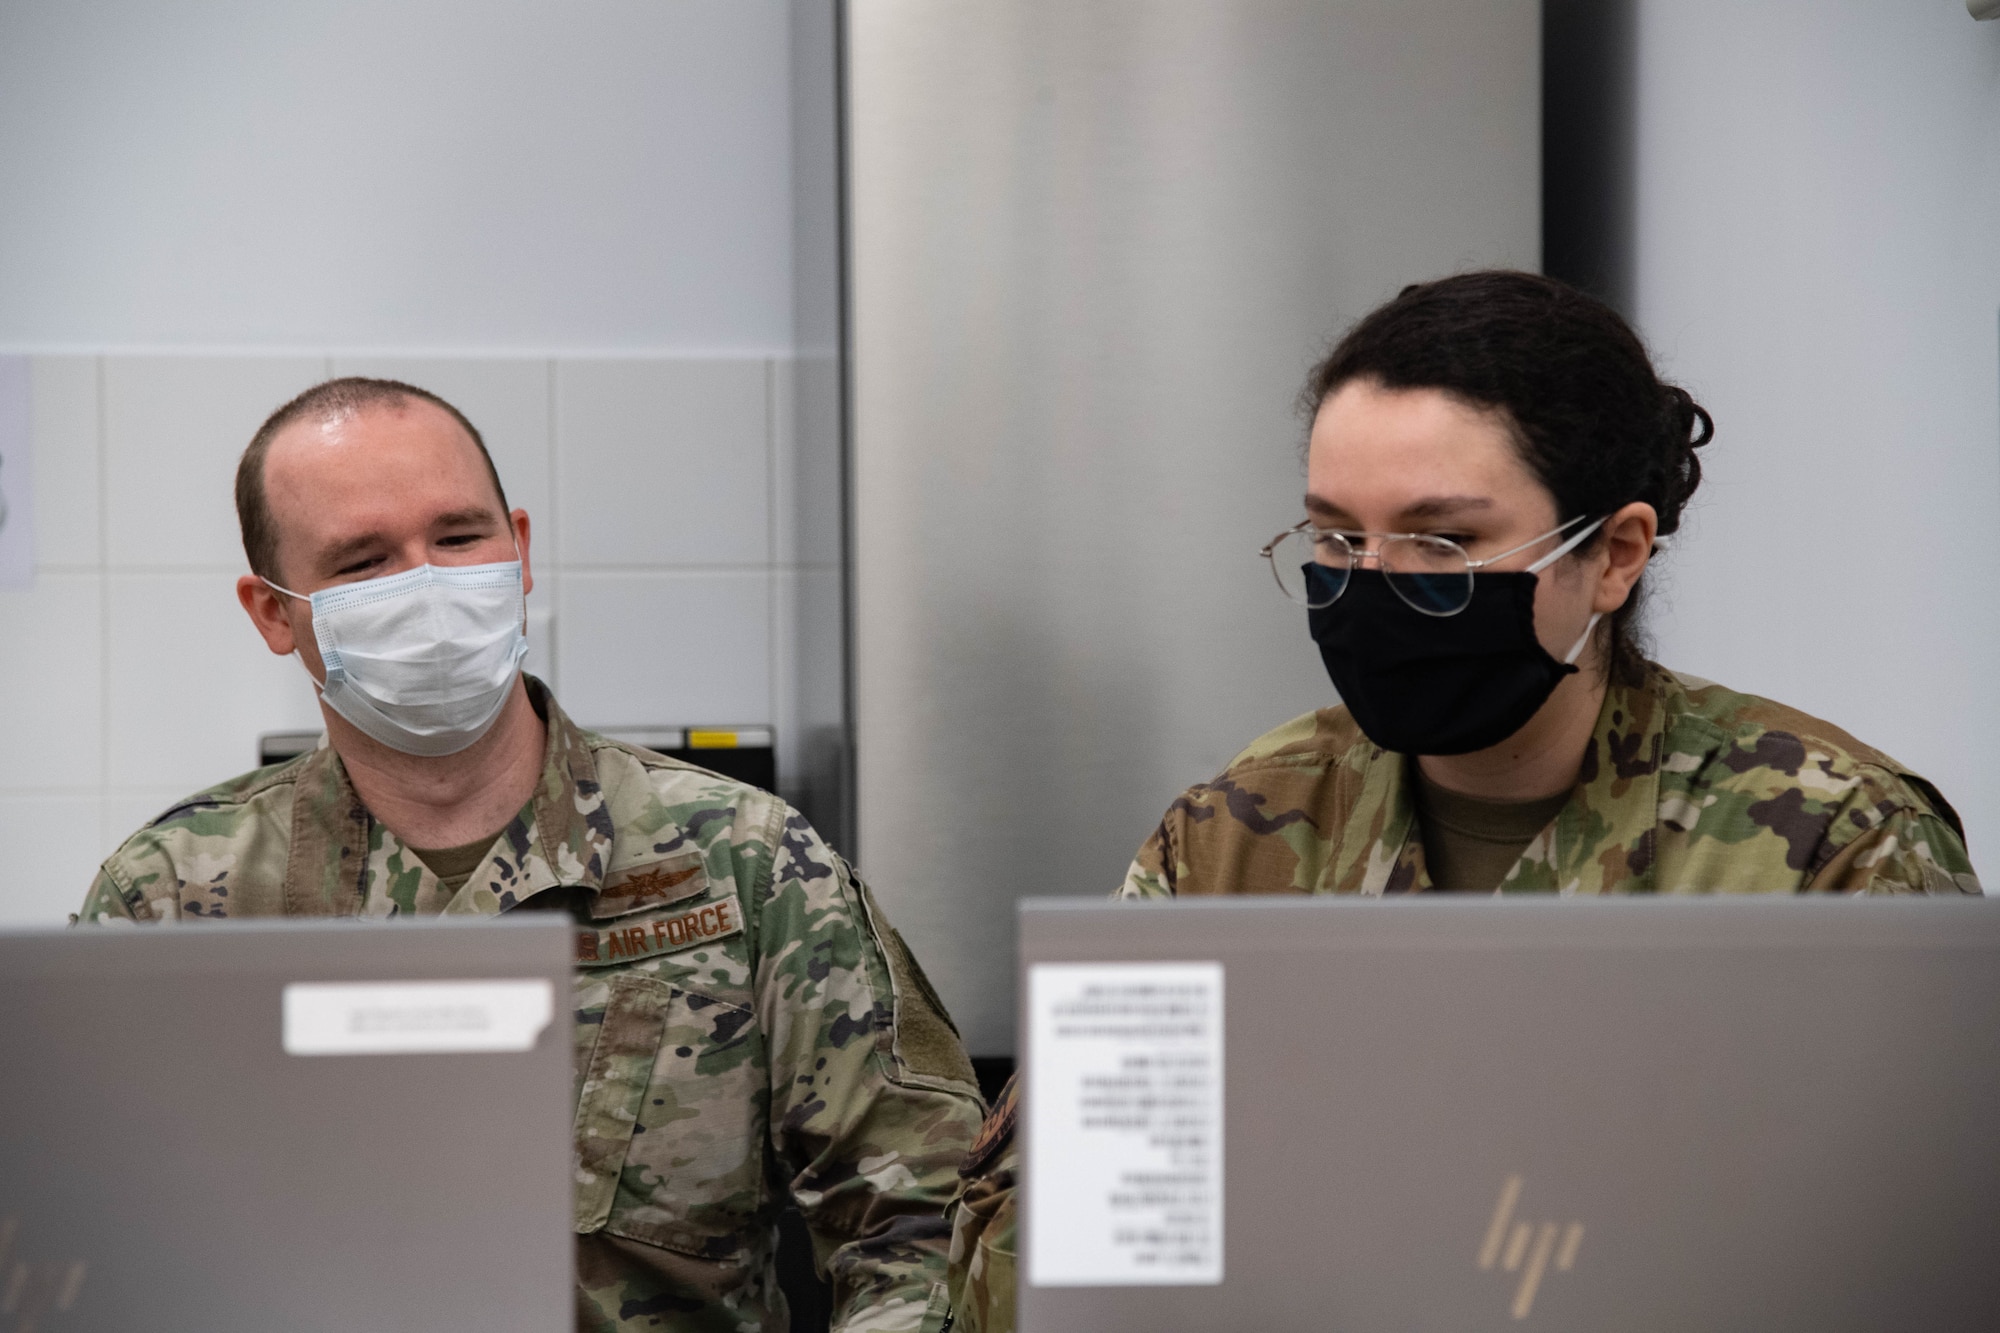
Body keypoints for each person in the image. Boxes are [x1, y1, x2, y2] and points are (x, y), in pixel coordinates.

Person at [943, 270, 1981, 1332]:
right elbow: (1032, 1258)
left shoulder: (1828, 844)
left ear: (1614, 554)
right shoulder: (1231, 841)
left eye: (1441, 543)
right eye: (1337, 538)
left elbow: (1908, 1260)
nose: (1373, 581)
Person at [77, 378, 984, 1333]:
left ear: (520, 551)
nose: (426, 585)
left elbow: (926, 1226)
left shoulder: (749, 867)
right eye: (364, 562)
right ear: (273, 613)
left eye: (460, 539)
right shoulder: (174, 903)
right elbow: (92, 1253)